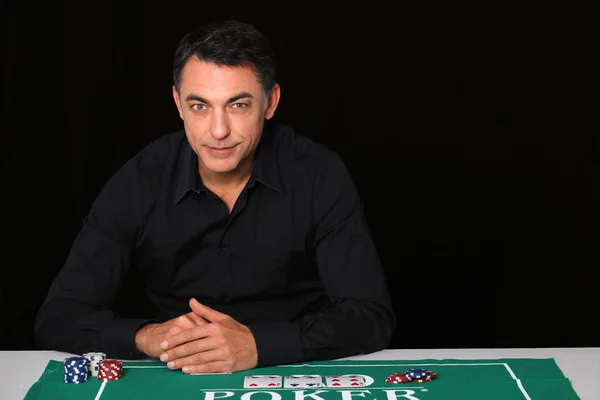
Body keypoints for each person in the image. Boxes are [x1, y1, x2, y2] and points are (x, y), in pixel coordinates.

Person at [35, 19, 396, 374]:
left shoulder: (319, 174)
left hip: (297, 373)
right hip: (181, 372)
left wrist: (258, 345)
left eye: (238, 105)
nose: (218, 131)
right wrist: (146, 336)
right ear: (177, 103)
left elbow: (370, 315)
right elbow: (58, 315)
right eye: (200, 106)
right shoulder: (140, 179)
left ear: (270, 102)